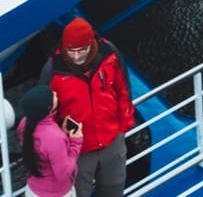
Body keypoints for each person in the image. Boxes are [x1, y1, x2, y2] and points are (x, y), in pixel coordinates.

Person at [40, 18, 135, 197]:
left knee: (114, 188)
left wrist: (124, 125)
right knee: (78, 193)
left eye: (81, 50)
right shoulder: (52, 70)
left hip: (112, 139)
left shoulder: (110, 53)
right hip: (77, 149)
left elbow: (123, 88)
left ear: (91, 44)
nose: (77, 56)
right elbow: (44, 114)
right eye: (71, 51)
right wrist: (59, 145)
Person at [17, 83, 83, 197]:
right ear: (48, 108)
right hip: (56, 193)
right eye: (53, 95)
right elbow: (63, 174)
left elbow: (44, 149)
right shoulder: (53, 137)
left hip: (34, 190)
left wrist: (62, 133)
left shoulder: (24, 123)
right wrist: (75, 143)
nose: (55, 93)